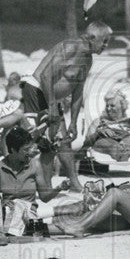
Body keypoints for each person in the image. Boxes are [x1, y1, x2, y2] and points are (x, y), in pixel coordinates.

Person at [23, 21, 112, 187]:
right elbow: (45, 76)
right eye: (104, 41)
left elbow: (77, 91)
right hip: (36, 92)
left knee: (63, 142)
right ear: (92, 38)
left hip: (51, 99)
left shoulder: (88, 59)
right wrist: (51, 108)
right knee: (37, 142)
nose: (106, 45)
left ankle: (73, 183)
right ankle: (23, 181)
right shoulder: (71, 47)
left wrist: (73, 122)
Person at [82, 88, 130, 162]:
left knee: (129, 141)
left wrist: (125, 135)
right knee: (113, 145)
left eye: (112, 106)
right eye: (107, 106)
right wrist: (98, 133)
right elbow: (86, 143)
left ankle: (122, 157)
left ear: (122, 106)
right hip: (106, 142)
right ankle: (122, 159)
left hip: (127, 143)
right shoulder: (98, 121)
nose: (108, 109)